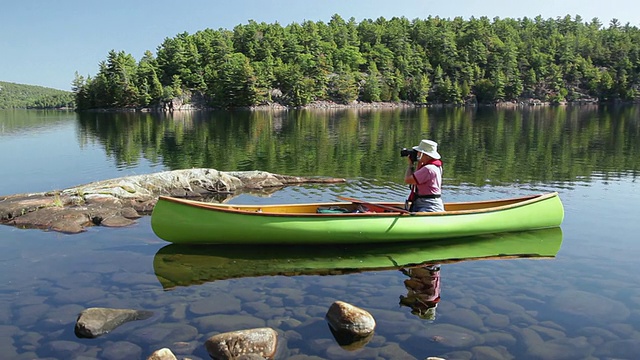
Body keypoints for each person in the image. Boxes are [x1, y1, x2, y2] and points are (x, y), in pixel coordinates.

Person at [404, 139, 444, 212]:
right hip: (424, 204)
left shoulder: (428, 169)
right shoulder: (435, 167)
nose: (417, 154)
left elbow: (407, 180)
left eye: (419, 152)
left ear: (424, 154)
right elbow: (416, 180)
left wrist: (410, 165)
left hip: (429, 206)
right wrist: (419, 164)